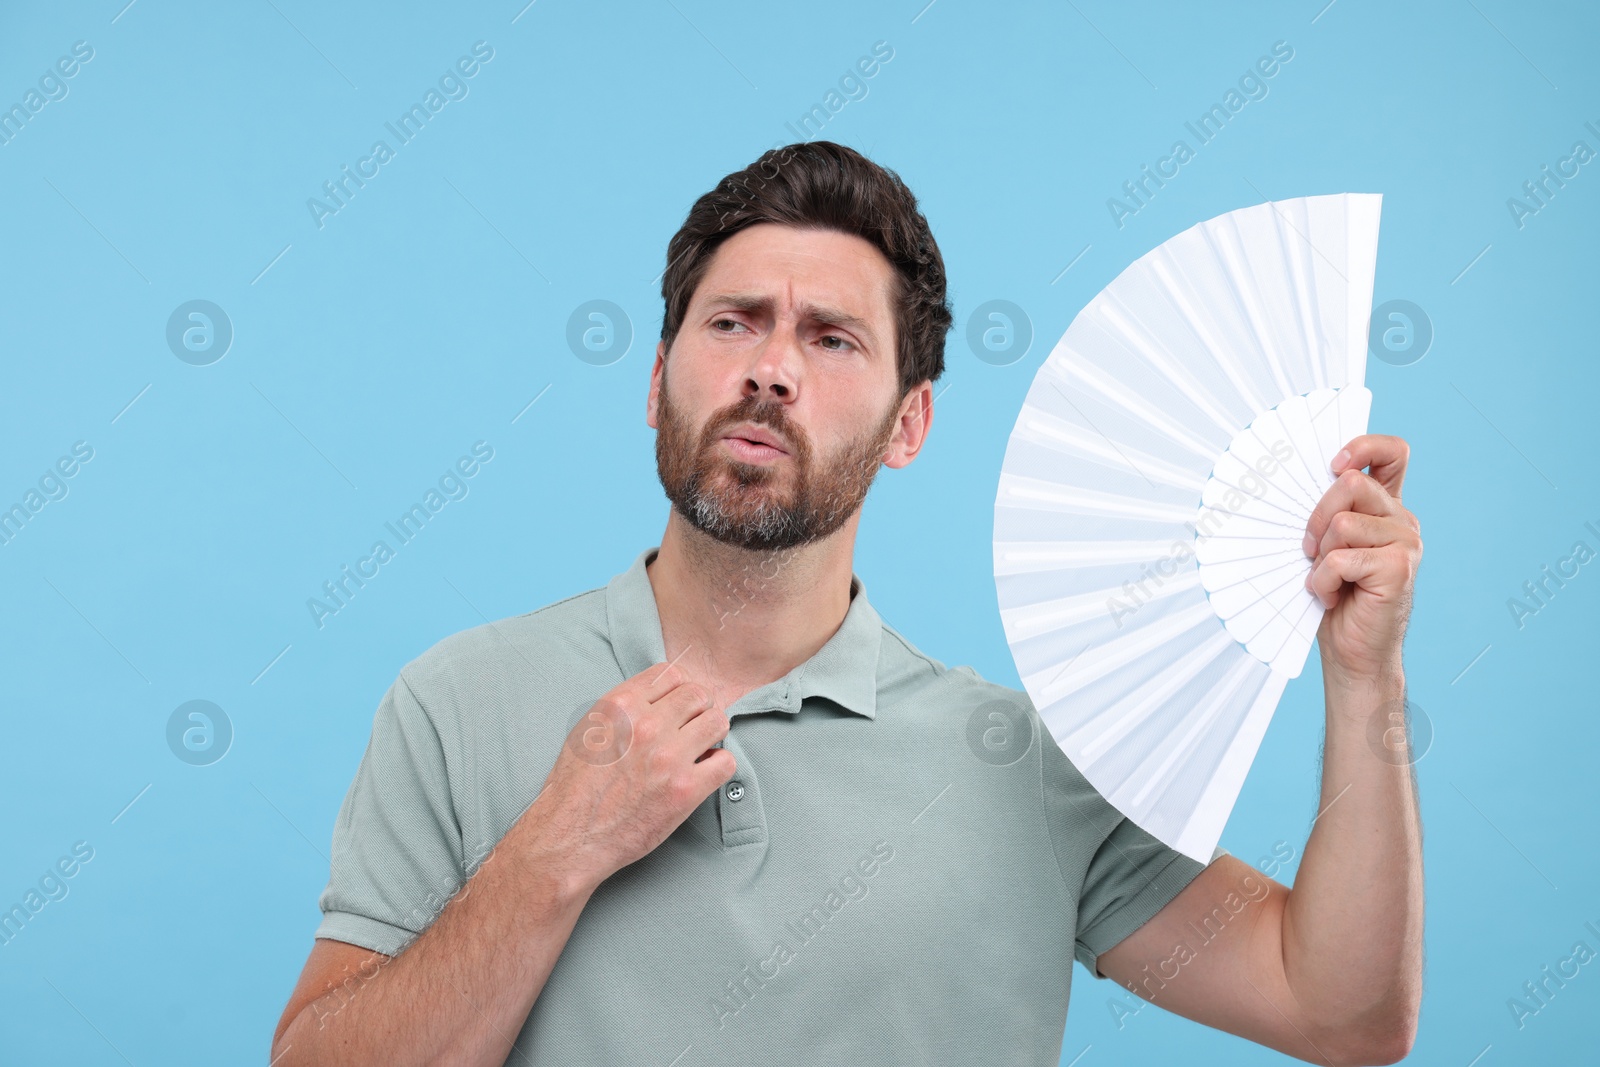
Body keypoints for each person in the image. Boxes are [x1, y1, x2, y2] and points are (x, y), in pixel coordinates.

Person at [270, 141, 1423, 1067]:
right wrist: (551, 853)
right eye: (732, 323)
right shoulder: (458, 700)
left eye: (830, 339)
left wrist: (1364, 673)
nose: (770, 368)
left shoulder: (1026, 762)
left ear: (908, 425)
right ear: (657, 377)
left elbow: (1341, 1014)